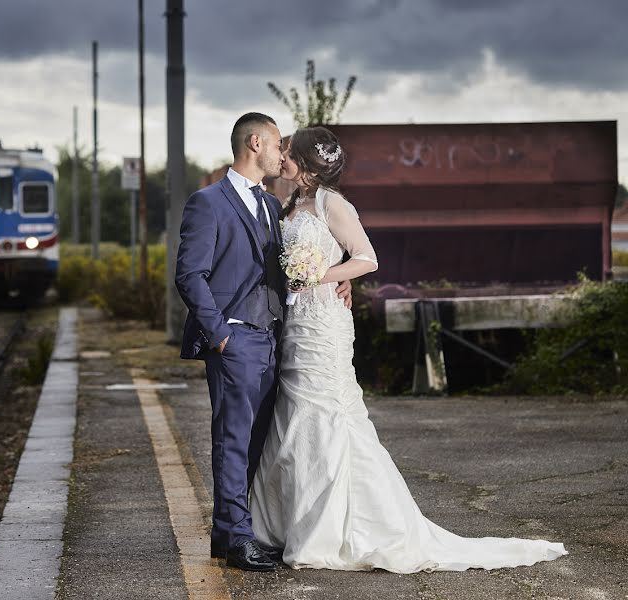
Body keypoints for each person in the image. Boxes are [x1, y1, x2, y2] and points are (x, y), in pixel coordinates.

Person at [250, 126, 568, 572]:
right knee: (294, 415)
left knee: (326, 413)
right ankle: (287, 522)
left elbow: (367, 257)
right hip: (297, 324)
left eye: (287, 150)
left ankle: (334, 530)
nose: (281, 156)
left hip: (324, 323)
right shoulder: (288, 205)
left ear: (304, 161)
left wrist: (320, 276)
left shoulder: (331, 203)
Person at [175, 113, 353, 572]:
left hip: (275, 338)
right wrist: (220, 335)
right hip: (235, 340)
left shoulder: (275, 207)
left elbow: (294, 266)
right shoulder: (208, 202)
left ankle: (229, 532)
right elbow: (190, 275)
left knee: (256, 441)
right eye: (278, 146)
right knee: (232, 440)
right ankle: (237, 539)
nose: (282, 155)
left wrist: (336, 280)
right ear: (256, 143)